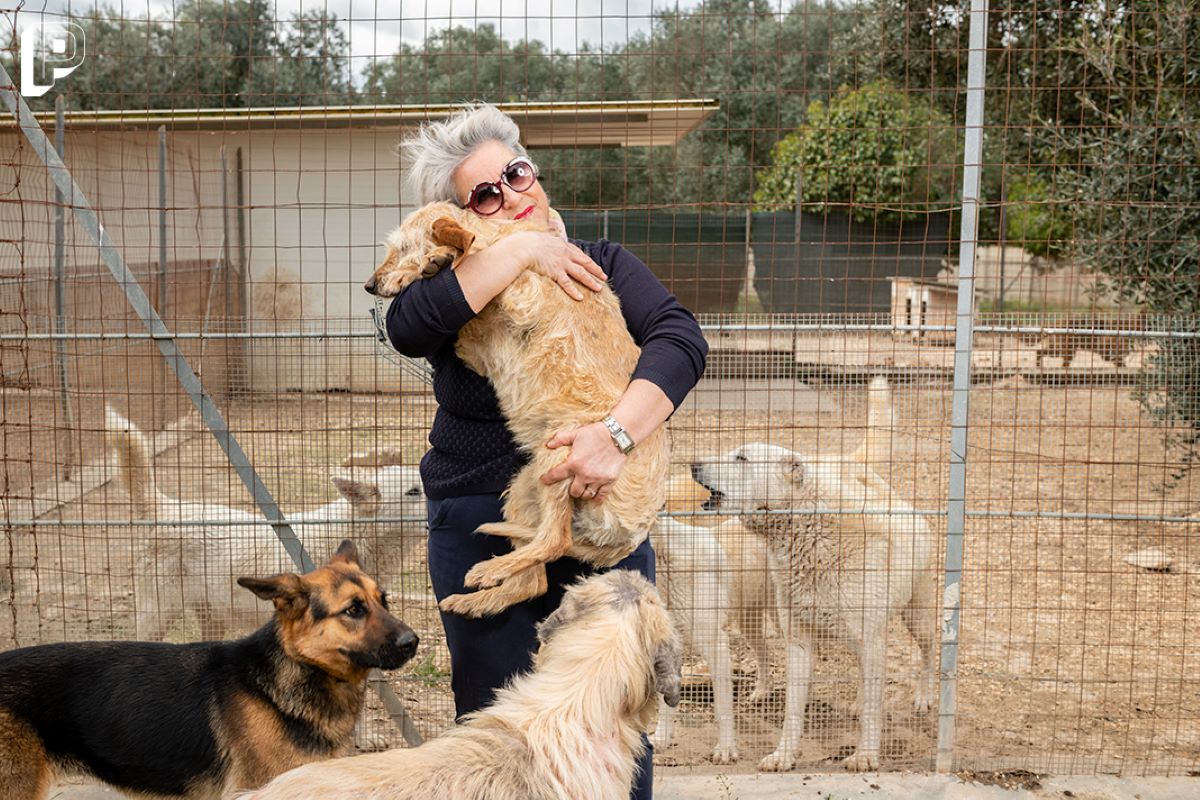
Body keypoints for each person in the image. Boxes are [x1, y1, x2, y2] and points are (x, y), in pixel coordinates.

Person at [384, 103, 707, 800]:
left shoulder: (604, 263)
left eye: (516, 174)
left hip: (599, 511)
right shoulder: (458, 278)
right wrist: (521, 251)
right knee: (502, 730)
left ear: (536, 171)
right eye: (486, 194)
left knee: (616, 715)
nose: (512, 197)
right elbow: (406, 326)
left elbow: (681, 340)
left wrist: (613, 436)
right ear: (462, 216)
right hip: (480, 519)